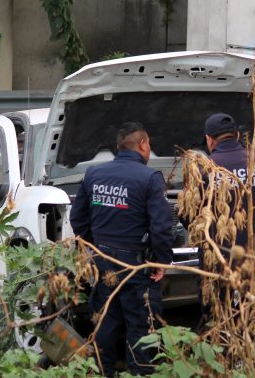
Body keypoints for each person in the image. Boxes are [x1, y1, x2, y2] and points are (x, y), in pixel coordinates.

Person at [70, 122, 173, 377]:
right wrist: (161, 261)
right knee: (141, 333)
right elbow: (161, 227)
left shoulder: (94, 174)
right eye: (149, 145)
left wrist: (95, 250)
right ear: (143, 145)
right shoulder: (150, 178)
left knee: (104, 328)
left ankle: (101, 373)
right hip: (137, 269)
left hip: (103, 265)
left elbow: (78, 219)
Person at [203, 112, 255, 257]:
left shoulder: (202, 168)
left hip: (217, 260)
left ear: (209, 139)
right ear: (238, 135)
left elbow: (189, 215)